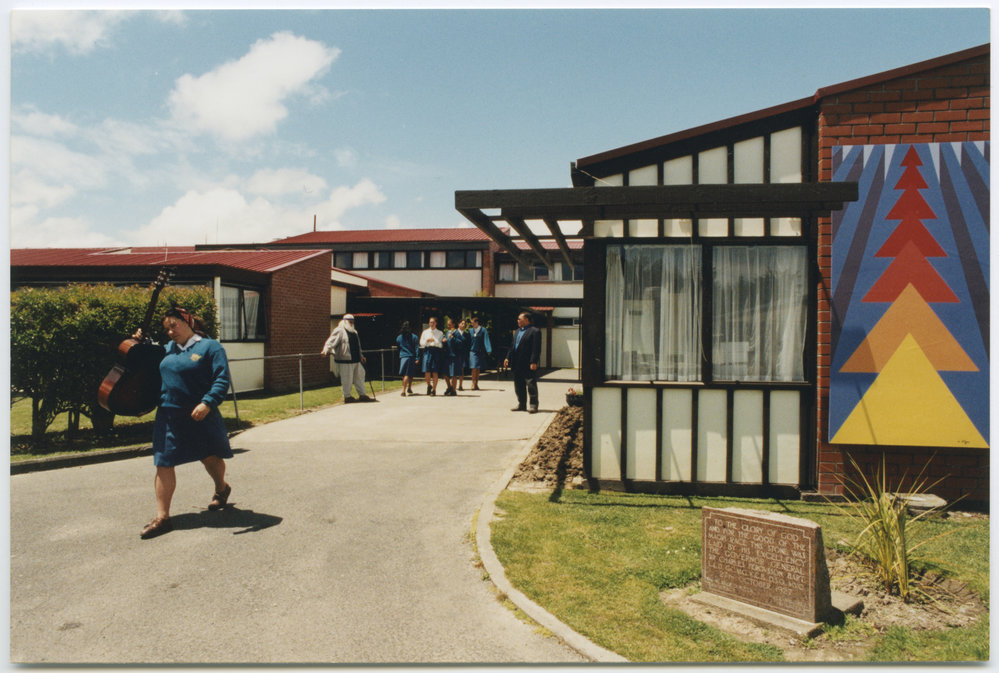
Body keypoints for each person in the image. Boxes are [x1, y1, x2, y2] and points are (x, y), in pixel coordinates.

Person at [138, 306, 234, 539]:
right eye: (166, 328)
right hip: (169, 415)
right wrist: (138, 343)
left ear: (189, 322)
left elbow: (222, 379)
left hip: (200, 413)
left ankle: (221, 488)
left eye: (174, 325)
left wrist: (207, 403)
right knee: (164, 461)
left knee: (210, 456)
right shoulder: (166, 350)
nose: (170, 332)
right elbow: (142, 366)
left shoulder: (211, 347)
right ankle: (162, 517)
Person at [321, 314, 372, 403]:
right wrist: (325, 350)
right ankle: (347, 396)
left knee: (360, 376)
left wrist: (361, 356)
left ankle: (362, 395)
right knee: (347, 378)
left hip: (356, 359)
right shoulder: (339, 331)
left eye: (353, 322)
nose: (351, 323)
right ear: (345, 321)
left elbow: (358, 346)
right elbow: (330, 341)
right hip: (345, 360)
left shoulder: (354, 332)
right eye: (350, 322)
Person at [503, 312, 542, 413]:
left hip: (528, 363)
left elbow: (536, 348)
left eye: (519, 319)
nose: (518, 321)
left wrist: (534, 361)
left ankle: (533, 405)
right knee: (518, 385)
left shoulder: (535, 331)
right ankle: (522, 404)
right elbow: (512, 346)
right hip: (516, 362)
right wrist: (507, 357)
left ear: (526, 320)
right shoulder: (517, 331)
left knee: (531, 385)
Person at [419, 316, 445, 396]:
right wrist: (427, 341)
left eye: (433, 322)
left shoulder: (440, 333)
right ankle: (429, 386)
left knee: (434, 371)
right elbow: (421, 343)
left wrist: (435, 340)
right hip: (427, 351)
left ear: (436, 323)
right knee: (426, 371)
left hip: (436, 351)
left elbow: (441, 345)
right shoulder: (425, 332)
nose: (431, 324)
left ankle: (434, 390)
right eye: (430, 322)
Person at [443, 318, 467, 396]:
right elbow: (446, 343)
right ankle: (449, 387)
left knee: (453, 374)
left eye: (449, 324)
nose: (448, 325)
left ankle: (453, 390)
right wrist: (444, 342)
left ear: (453, 324)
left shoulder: (456, 333)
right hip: (448, 355)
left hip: (455, 356)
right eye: (447, 324)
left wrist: (453, 338)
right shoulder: (447, 332)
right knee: (445, 373)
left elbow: (461, 343)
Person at [467, 315, 492, 391]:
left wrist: (488, 349)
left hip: (480, 351)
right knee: (473, 367)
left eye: (473, 323)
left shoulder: (483, 330)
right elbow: (467, 341)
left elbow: (486, 339)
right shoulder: (470, 331)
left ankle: (476, 384)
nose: (472, 324)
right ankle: (473, 383)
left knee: (478, 368)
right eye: (471, 323)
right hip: (472, 351)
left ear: (477, 322)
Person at [396, 321, 419, 397]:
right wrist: (417, 358)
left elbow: (398, 348)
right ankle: (404, 390)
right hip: (410, 357)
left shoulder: (399, 337)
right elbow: (416, 348)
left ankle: (408, 388)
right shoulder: (414, 337)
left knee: (404, 374)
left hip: (402, 357)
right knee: (409, 374)